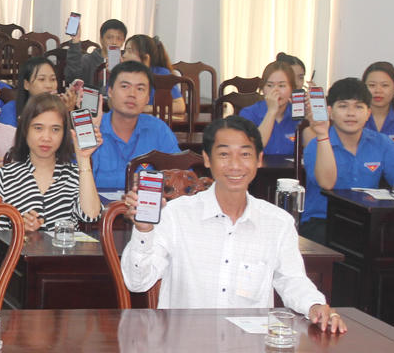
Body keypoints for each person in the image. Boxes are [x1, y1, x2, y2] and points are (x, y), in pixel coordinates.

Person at [120, 116, 346, 332]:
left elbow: (293, 281)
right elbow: (137, 283)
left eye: (245, 154)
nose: (235, 165)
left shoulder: (278, 223)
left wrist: (315, 305)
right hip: (184, 349)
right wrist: (144, 231)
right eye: (224, 154)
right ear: (207, 159)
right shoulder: (176, 216)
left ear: (258, 159)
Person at [302, 77, 394, 243]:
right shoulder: (316, 145)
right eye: (343, 106)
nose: (351, 113)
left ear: (368, 113)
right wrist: (322, 134)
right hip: (321, 221)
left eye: (359, 106)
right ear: (330, 111)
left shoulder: (382, 143)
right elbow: (327, 184)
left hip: (366, 220)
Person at [0, 93, 101, 232]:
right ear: (25, 130)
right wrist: (19, 229)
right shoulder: (4, 176)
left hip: (67, 252)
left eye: (55, 129)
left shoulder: (75, 175)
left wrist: (83, 160)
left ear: (64, 133)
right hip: (19, 253)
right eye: (38, 128)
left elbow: (91, 215)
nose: (46, 137)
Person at [90, 61, 181, 190]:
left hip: (144, 207)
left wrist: (150, 184)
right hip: (96, 208)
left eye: (140, 89)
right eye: (125, 86)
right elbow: (73, 181)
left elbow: (182, 176)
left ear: (148, 98)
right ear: (110, 91)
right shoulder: (93, 130)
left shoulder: (158, 130)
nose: (132, 94)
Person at [238, 60, 305, 156]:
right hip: (258, 170)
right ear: (263, 89)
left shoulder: (299, 113)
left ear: (292, 89)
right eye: (270, 85)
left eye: (282, 85)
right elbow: (253, 148)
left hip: (291, 170)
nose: (275, 91)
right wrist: (271, 112)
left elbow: (311, 152)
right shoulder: (248, 113)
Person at [122, 34, 184, 115]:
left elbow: (180, 106)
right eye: (125, 51)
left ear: (145, 57)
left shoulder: (162, 74)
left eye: (129, 51)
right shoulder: (122, 74)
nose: (124, 55)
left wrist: (149, 108)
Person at [3, 57, 72, 128]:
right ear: (26, 84)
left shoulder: (60, 108)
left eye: (53, 79)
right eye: (41, 79)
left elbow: (70, 138)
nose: (49, 85)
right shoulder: (10, 110)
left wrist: (66, 113)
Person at [63, 18, 126, 89]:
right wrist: (75, 41)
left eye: (119, 38)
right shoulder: (88, 60)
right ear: (101, 39)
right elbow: (72, 78)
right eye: (109, 37)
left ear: (123, 41)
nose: (114, 42)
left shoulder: (126, 64)